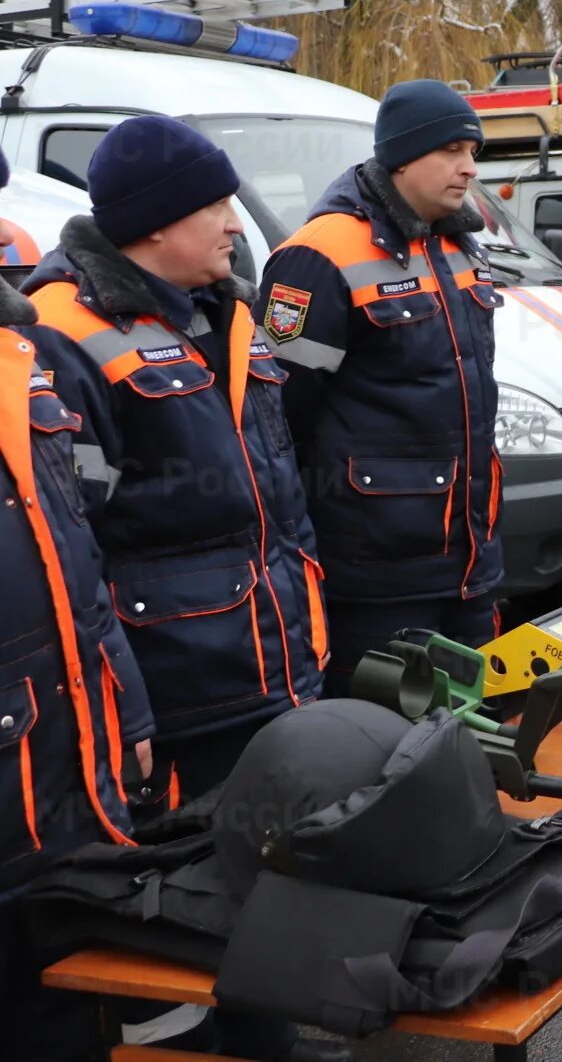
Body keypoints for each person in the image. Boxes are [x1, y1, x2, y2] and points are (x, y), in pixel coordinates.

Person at [24, 117, 325, 802]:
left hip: (276, 672)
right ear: (155, 222)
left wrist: (311, 644)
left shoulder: (231, 314)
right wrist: (123, 707)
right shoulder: (66, 337)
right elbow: (72, 552)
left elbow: (282, 505)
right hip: (183, 700)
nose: (236, 225)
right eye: (214, 207)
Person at [259, 80, 504, 691]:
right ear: (402, 155)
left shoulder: (457, 243)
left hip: (468, 561)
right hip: (376, 574)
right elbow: (278, 420)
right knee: (386, 750)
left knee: (479, 740)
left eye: (472, 150)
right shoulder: (319, 255)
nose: (468, 167)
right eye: (450, 150)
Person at [0, 154, 154, 1062]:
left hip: (55, 772)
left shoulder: (19, 357)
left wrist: (122, 702)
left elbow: (75, 556)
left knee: (58, 1012)